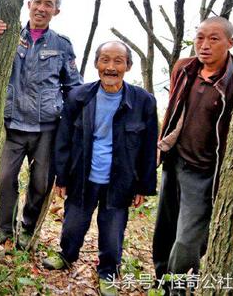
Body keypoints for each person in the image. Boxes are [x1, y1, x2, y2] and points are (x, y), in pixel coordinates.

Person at [41, 41, 158, 296]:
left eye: (118, 61)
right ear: (96, 64)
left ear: (127, 65)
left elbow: (149, 147)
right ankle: (66, 255)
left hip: (121, 179)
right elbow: (64, 140)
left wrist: (143, 186)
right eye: (105, 60)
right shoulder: (79, 97)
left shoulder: (143, 101)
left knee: (113, 231)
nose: (111, 67)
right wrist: (61, 176)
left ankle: (108, 272)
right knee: (73, 223)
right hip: (83, 175)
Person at [0, 0, 82, 248]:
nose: (41, 8)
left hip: (47, 128)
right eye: (37, 2)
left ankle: (28, 228)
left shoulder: (62, 45)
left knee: (40, 183)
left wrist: (76, 122)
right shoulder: (8, 35)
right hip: (12, 124)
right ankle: (4, 228)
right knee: (4, 178)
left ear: (56, 11)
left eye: (48, 4)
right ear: (28, 4)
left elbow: (73, 86)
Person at [152, 16, 233, 289]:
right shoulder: (184, 68)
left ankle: (176, 288)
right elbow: (172, 111)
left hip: (205, 172)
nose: (204, 45)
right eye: (200, 37)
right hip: (174, 161)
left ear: (230, 43)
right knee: (165, 230)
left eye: (213, 39)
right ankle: (160, 279)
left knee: (187, 239)